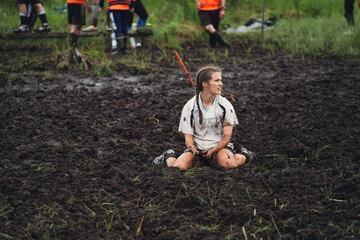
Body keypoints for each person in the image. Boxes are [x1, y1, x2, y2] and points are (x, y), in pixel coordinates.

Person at [152, 66, 255, 171]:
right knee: (178, 167)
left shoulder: (225, 105)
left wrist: (213, 150)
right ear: (205, 84)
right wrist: (193, 149)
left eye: (221, 80)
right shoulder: (190, 106)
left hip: (220, 148)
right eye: (217, 80)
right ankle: (168, 155)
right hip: (197, 150)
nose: (221, 84)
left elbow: (227, 137)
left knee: (228, 164)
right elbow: (188, 139)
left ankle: (245, 154)